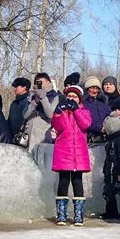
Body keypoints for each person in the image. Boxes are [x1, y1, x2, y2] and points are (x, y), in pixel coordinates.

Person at [49, 84, 93, 225]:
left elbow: (86, 124)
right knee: (63, 181)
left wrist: (76, 111)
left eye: (74, 97)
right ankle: (61, 214)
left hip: (78, 152)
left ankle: (78, 215)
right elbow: (58, 126)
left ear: (79, 99)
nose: (71, 99)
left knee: (77, 181)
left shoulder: (84, 112)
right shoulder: (63, 112)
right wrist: (57, 113)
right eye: (69, 97)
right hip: (64, 151)